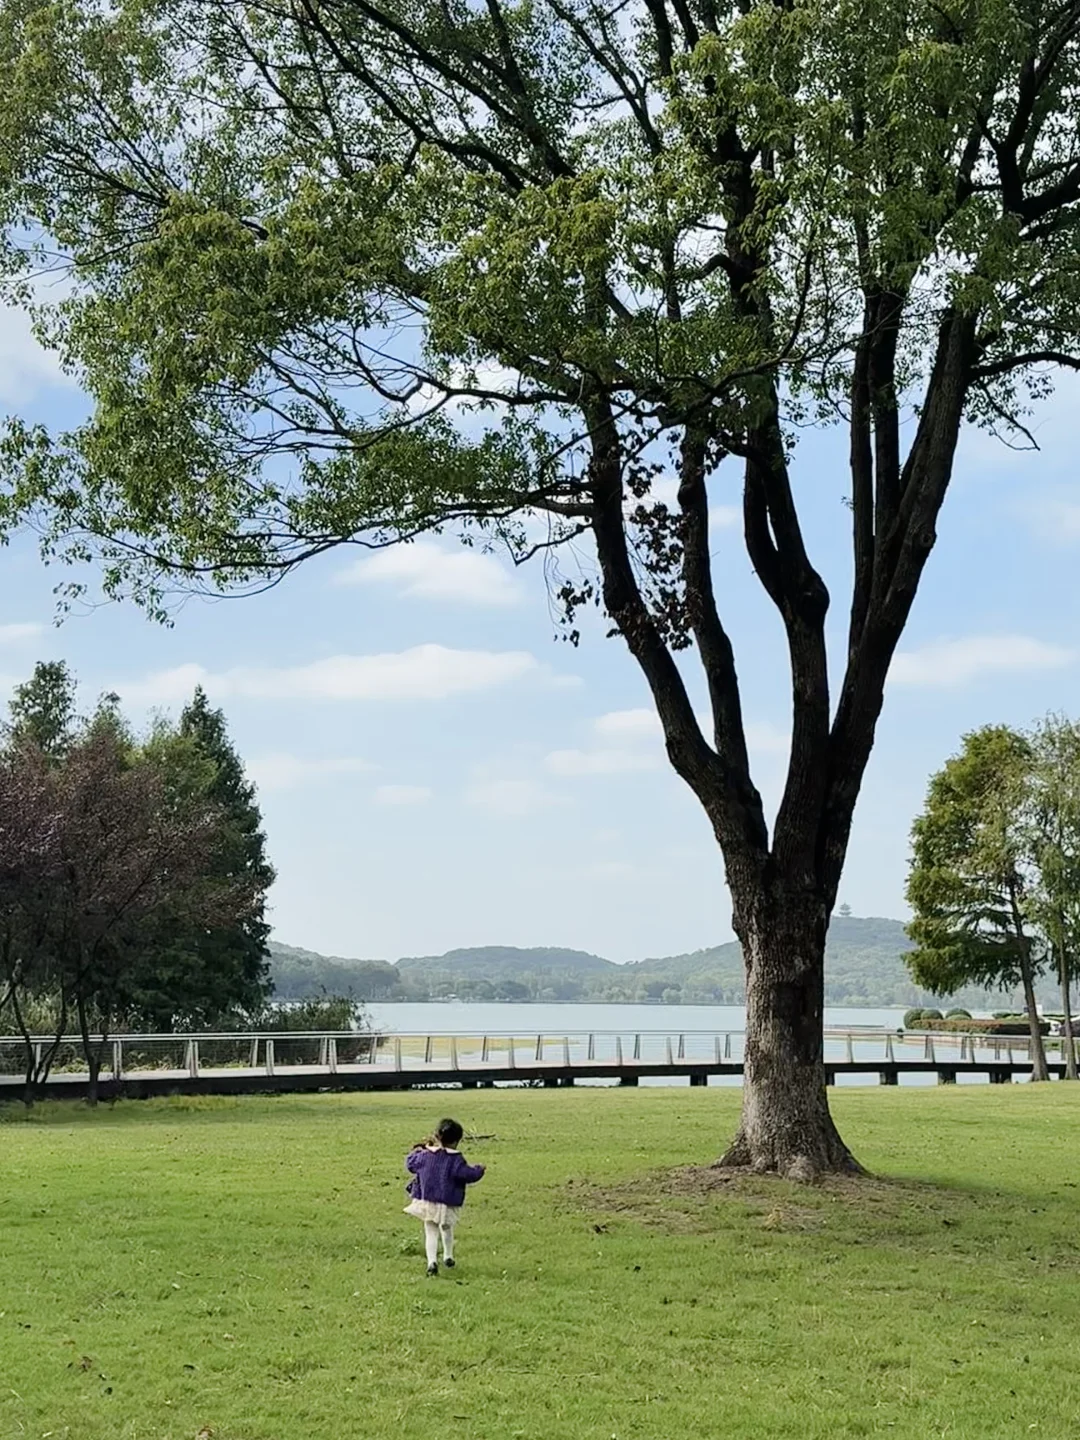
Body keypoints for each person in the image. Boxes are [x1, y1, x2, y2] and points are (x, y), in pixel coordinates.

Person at [404, 1117, 485, 1276]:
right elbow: (467, 1174)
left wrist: (420, 1149)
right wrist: (479, 1169)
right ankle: (448, 1255)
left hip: (428, 1201)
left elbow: (410, 1163)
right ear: (457, 1141)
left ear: (437, 1136)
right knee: (447, 1228)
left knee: (430, 1232)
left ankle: (431, 1262)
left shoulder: (425, 1156)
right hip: (448, 1203)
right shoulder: (455, 1159)